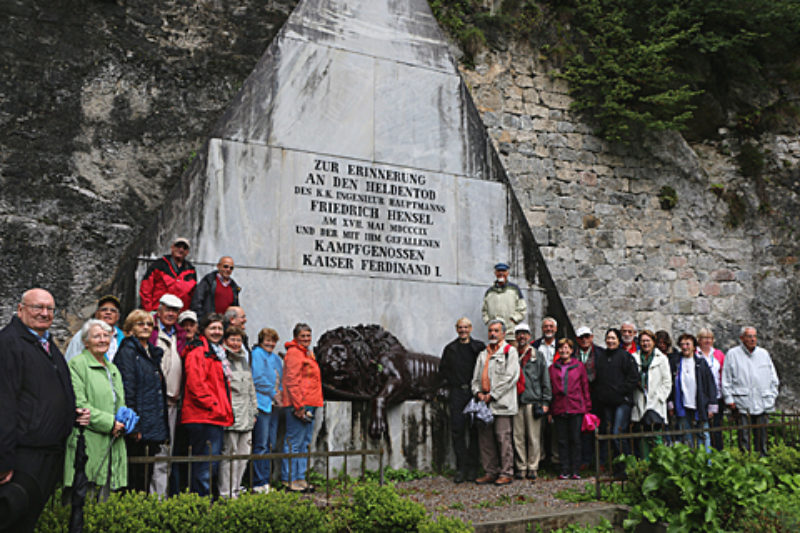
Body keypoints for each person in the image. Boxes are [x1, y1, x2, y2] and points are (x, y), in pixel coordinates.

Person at [0, 288, 90, 533]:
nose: (44, 313)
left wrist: (71, 412)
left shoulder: (46, 344)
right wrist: (3, 460)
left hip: (47, 454)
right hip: (22, 457)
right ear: (20, 310)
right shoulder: (8, 344)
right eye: (37, 307)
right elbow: (4, 402)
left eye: (49, 308)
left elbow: (46, 393)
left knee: (27, 522)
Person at [63, 319, 128, 500]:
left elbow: (120, 402)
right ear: (85, 341)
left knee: (106, 504)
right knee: (83, 501)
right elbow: (80, 405)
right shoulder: (77, 365)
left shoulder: (112, 368)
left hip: (112, 442)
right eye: (96, 336)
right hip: (88, 440)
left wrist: (125, 420)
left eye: (106, 336)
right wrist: (110, 423)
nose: (102, 340)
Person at [114, 310, 169, 493]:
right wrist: (134, 426)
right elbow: (128, 389)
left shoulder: (151, 353)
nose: (145, 327)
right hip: (139, 425)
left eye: (148, 324)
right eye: (140, 324)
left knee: (147, 474)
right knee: (135, 477)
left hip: (152, 421)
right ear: (130, 328)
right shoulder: (128, 352)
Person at [180, 313, 234, 496]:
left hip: (213, 415)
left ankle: (206, 500)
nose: (217, 332)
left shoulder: (217, 353)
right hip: (203, 415)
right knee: (204, 465)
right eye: (213, 328)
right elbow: (196, 385)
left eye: (219, 328)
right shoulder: (198, 352)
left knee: (210, 463)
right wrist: (215, 406)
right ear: (204, 330)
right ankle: (202, 504)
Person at [471, 319, 520, 486]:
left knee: (503, 438)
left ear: (503, 333)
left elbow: (511, 378)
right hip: (484, 405)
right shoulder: (483, 354)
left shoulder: (510, 352)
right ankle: (490, 472)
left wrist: (492, 394)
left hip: (502, 404)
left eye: (496, 331)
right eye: (490, 330)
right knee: (485, 440)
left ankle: (507, 472)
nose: (492, 333)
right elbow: (475, 378)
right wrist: (478, 392)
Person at [438, 318, 486, 483]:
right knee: (457, 431)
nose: (463, 330)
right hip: (457, 393)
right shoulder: (450, 349)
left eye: (466, 327)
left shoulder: (479, 348)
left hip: (474, 394)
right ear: (456, 329)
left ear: (471, 328)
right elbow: (442, 372)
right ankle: (461, 469)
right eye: (460, 327)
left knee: (474, 431)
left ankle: (473, 468)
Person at [148, 293, 186, 495]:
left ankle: (160, 497)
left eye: (175, 311)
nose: (171, 314)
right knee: (153, 451)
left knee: (166, 452)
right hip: (154, 401)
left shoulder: (179, 335)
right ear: (159, 310)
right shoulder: (151, 331)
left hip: (173, 402)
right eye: (167, 309)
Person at [722, 327, 779, 455]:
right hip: (742, 402)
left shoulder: (763, 354)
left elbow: (773, 378)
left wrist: (772, 396)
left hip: (762, 401)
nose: (752, 339)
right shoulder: (732, 354)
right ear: (742, 338)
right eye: (749, 336)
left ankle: (762, 459)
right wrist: (729, 399)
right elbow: (726, 379)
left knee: (762, 435)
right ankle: (745, 461)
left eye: (754, 336)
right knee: (744, 436)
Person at [282, 323, 323, 493]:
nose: (306, 339)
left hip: (311, 402)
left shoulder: (306, 353)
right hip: (299, 403)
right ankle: (289, 479)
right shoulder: (294, 354)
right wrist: (298, 406)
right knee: (294, 442)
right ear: (296, 337)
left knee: (304, 442)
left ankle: (300, 477)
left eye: (308, 335)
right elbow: (291, 381)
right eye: (303, 336)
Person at [218, 326, 257, 499]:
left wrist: (254, 411)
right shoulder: (221, 358)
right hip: (231, 414)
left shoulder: (243, 359)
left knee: (243, 456)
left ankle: (236, 488)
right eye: (232, 339)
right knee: (229, 456)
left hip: (247, 415)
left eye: (238, 340)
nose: (236, 343)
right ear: (225, 341)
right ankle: (225, 492)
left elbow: (251, 387)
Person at [594, 328, 638, 475]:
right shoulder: (601, 357)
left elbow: (633, 378)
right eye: (608, 338)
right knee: (609, 435)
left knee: (618, 433)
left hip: (622, 402)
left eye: (613, 338)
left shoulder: (625, 357)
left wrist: (620, 392)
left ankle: (626, 467)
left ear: (618, 341)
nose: (610, 341)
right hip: (606, 403)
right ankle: (614, 466)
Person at [512, 323, 551, 481]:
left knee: (534, 437)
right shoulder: (511, 354)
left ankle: (533, 466)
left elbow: (545, 379)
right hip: (515, 401)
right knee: (518, 436)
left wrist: (546, 401)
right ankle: (521, 467)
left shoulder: (537, 355)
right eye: (519, 334)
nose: (522, 337)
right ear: (515, 337)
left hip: (533, 400)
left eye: (525, 334)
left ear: (529, 336)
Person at [549, 338, 591, 480]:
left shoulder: (579, 366)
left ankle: (576, 469)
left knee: (575, 439)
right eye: (561, 348)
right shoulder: (552, 368)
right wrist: (550, 409)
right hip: (559, 407)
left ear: (572, 350)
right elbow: (550, 389)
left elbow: (585, 386)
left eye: (567, 348)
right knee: (562, 440)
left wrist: (587, 406)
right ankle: (564, 469)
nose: (564, 350)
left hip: (576, 406)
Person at [251, 328, 284, 493]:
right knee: (261, 445)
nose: (270, 343)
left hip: (274, 406)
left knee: (270, 443)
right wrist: (273, 393)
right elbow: (257, 378)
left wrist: (281, 394)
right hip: (262, 403)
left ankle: (266, 481)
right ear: (261, 340)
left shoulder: (276, 358)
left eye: (273, 340)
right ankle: (258, 482)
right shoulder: (257, 354)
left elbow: (282, 378)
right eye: (267, 340)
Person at [670, 334, 717, 451]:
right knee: (686, 434)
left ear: (694, 347)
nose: (685, 347)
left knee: (703, 434)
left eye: (687, 344)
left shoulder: (701, 363)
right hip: (682, 404)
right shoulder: (675, 363)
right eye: (682, 345)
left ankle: (706, 461)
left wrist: (712, 405)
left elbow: (710, 384)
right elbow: (670, 383)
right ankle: (690, 462)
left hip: (700, 403)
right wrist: (671, 402)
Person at [630, 330, 672, 458]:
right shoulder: (634, 357)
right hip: (640, 399)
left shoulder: (662, 359)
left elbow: (667, 382)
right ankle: (645, 464)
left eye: (648, 341)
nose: (645, 343)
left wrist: (659, 397)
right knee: (642, 437)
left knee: (657, 436)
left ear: (653, 342)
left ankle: (659, 465)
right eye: (643, 341)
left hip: (656, 402)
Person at [139, 237, 197, 312]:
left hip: (180, 314)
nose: (181, 250)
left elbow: (193, 295)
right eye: (178, 246)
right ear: (172, 248)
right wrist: (149, 311)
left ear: (187, 252)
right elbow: (146, 289)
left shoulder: (191, 270)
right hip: (157, 312)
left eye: (184, 248)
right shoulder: (158, 265)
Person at [64, 295, 125, 362]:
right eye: (104, 309)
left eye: (113, 310)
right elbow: (71, 361)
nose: (108, 312)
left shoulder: (123, 337)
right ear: (96, 314)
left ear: (118, 317)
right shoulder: (84, 334)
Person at [575, 326, 602, 467]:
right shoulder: (573, 354)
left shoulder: (600, 353)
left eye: (587, 336)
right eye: (581, 337)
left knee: (599, 428)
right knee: (583, 429)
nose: (584, 340)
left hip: (597, 395)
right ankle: (585, 460)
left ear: (591, 337)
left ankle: (599, 460)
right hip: (578, 396)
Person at [696, 328, 725, 450]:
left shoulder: (718, 354)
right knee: (702, 426)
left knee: (716, 427)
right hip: (701, 395)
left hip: (717, 395)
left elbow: (723, 373)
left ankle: (717, 452)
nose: (707, 341)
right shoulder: (695, 354)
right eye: (704, 338)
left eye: (710, 338)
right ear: (699, 340)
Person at [481, 262, 527, 341]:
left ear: (507, 273)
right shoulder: (490, 291)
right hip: (495, 335)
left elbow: (522, 309)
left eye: (503, 271)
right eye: (499, 271)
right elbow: (484, 310)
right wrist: (488, 321)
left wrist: (514, 319)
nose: (501, 273)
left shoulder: (514, 289)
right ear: (495, 273)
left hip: (511, 334)